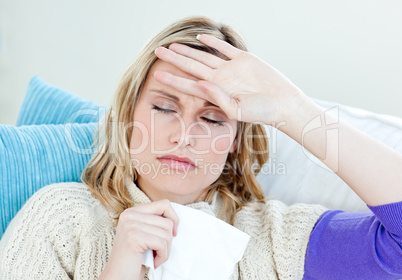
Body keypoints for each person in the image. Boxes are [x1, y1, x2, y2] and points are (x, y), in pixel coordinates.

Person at [0, 15, 401, 280]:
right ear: (129, 115)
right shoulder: (61, 220)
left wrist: (292, 107)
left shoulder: (276, 241)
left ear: (235, 140)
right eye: (163, 107)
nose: (184, 136)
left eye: (212, 119)